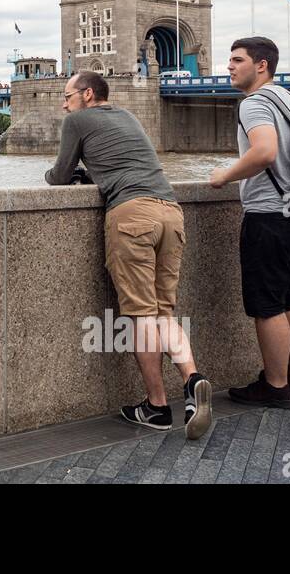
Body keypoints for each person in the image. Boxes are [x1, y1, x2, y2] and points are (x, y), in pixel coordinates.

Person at [46, 70, 212, 439]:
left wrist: (61, 177)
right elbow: (121, 162)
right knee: (163, 311)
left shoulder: (77, 120)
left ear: (87, 94)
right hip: (170, 210)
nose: (63, 102)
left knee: (139, 315)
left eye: (68, 95)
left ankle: (155, 407)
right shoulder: (127, 116)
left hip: (132, 213)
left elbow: (60, 175)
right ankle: (193, 378)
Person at [209, 37, 290, 408]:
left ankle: (275, 386)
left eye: (237, 60)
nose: (229, 66)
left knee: (267, 305)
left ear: (261, 66)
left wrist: (225, 175)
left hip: (269, 216)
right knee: (289, 298)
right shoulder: (287, 98)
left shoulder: (254, 103)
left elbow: (265, 152)